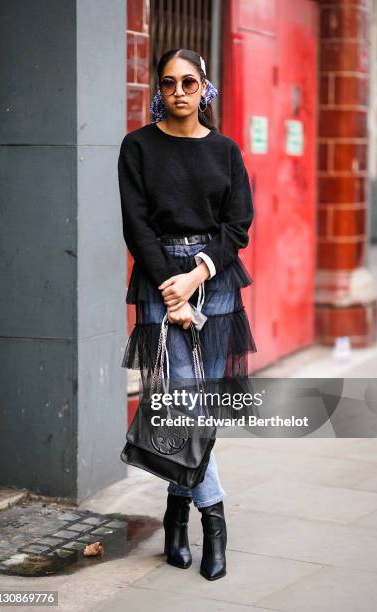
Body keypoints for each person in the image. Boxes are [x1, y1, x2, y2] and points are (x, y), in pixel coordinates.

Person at [118, 48, 257, 581]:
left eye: (190, 82)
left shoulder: (225, 151)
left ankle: (176, 514)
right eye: (169, 83)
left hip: (213, 279)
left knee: (197, 405)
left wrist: (197, 275)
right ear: (159, 89)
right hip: (159, 279)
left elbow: (238, 224)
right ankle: (212, 520)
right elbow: (136, 225)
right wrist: (170, 291)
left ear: (205, 89)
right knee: (184, 401)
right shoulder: (138, 147)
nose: (179, 91)